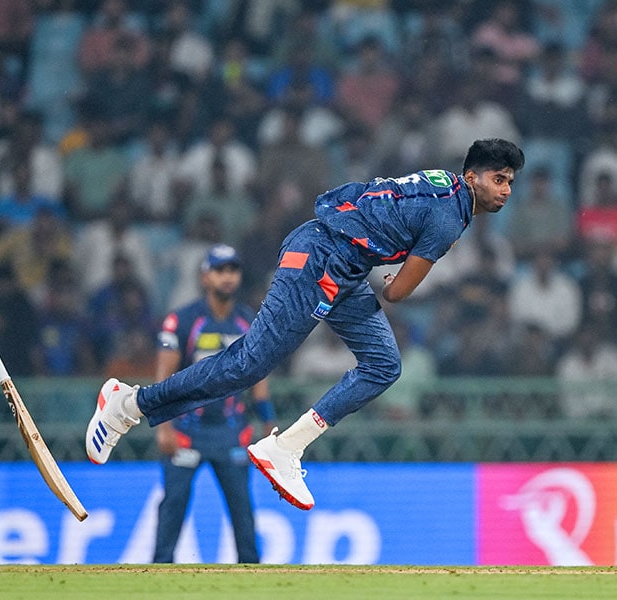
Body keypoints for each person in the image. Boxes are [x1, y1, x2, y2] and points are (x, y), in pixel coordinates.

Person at [86, 138, 525, 511]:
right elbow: (396, 293)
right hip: (320, 259)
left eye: (509, 181)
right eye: (498, 178)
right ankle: (129, 403)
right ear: (472, 177)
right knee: (249, 364)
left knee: (384, 364)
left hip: (342, 261)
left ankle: (286, 447)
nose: (505, 190)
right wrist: (403, 281)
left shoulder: (442, 186)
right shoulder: (450, 216)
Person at [152, 244, 274, 564]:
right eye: (220, 270)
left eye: (233, 270)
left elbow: (258, 377)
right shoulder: (183, 320)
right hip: (186, 429)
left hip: (231, 431)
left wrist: (268, 423)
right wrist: (163, 428)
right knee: (174, 504)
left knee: (242, 509)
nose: (228, 277)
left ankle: (253, 577)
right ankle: (156, 573)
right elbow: (164, 379)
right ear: (205, 277)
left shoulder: (249, 322)